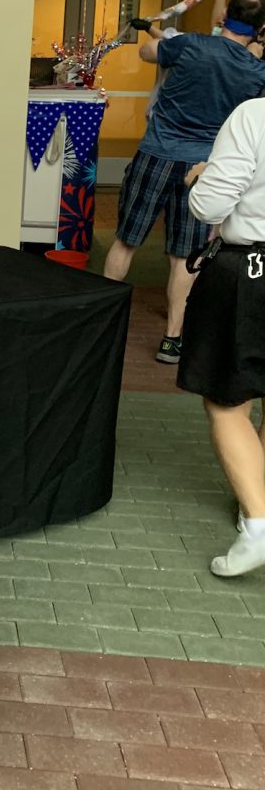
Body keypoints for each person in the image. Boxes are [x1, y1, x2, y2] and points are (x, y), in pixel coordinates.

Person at [103, 0, 265, 365]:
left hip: (156, 154)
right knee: (183, 257)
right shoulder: (256, 72)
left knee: (126, 241)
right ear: (259, 29)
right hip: (202, 168)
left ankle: (100, 322)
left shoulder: (191, 44)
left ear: (225, 16)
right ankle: (172, 339)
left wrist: (160, 42)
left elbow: (148, 52)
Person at [177, 94, 265, 576]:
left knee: (227, 401)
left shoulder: (254, 115)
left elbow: (209, 207)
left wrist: (202, 176)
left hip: (250, 272)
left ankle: (258, 524)